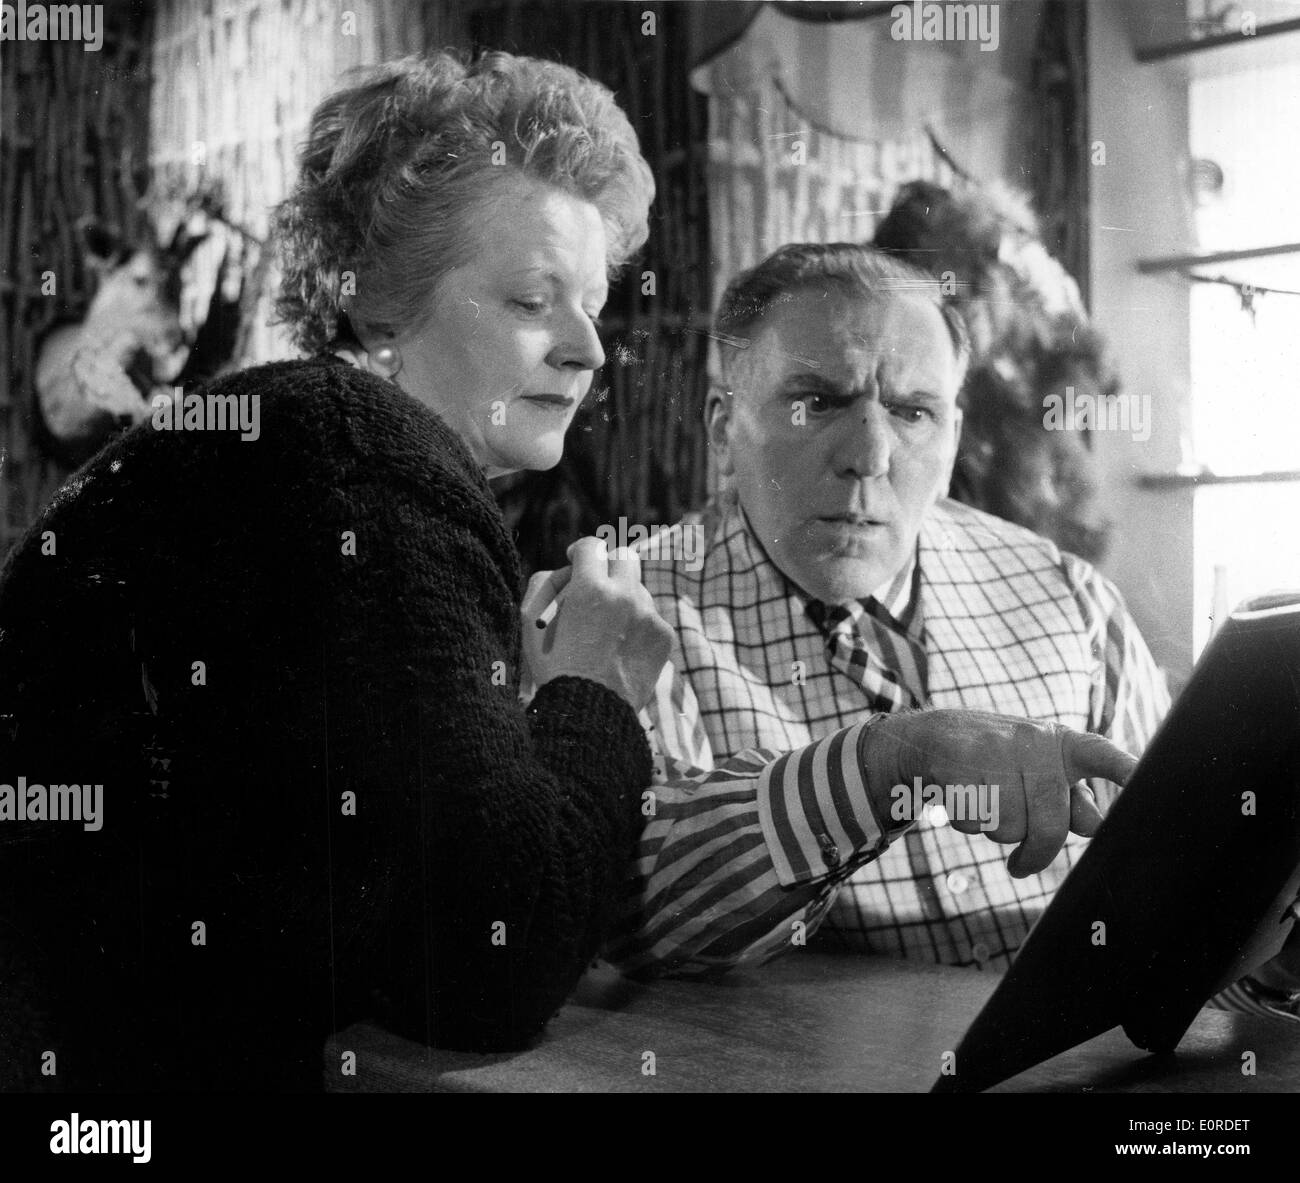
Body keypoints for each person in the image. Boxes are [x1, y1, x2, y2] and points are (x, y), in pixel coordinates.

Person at [0, 49, 674, 1091]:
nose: (589, 346)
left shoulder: (289, 439)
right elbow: (492, 960)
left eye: (593, 301)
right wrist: (594, 687)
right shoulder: (361, 452)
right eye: (535, 298)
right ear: (380, 308)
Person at [602, 242, 1172, 976]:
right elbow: (632, 917)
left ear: (954, 438)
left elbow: (1178, 864)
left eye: (912, 411)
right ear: (721, 426)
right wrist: (881, 768)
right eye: (817, 401)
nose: (870, 452)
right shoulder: (632, 612)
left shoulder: (1069, 597)